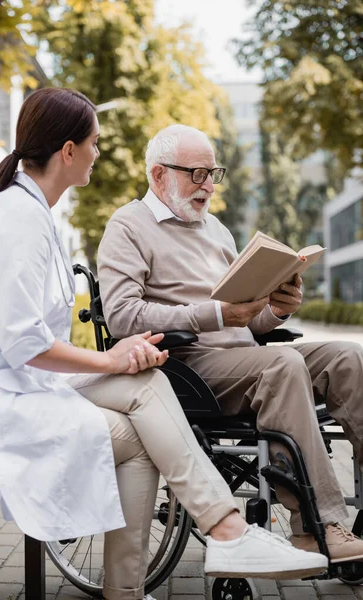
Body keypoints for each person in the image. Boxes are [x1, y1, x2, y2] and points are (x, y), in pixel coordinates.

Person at [0, 90, 328, 600]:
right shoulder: (17, 219)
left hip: (27, 385)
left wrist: (120, 361)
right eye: (94, 143)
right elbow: (26, 342)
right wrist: (109, 357)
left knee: (143, 400)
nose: (98, 152)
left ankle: (162, 571)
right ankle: (222, 535)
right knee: (140, 411)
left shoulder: (33, 213)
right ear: (68, 151)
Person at [97, 123, 363, 565]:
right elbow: (124, 316)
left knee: (350, 358)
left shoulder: (216, 229)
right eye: (195, 174)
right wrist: (215, 314)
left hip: (244, 356)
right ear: (159, 175)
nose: (207, 186)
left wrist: (277, 308)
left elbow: (246, 320)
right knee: (281, 366)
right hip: (185, 367)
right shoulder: (128, 226)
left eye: (212, 174)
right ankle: (317, 529)